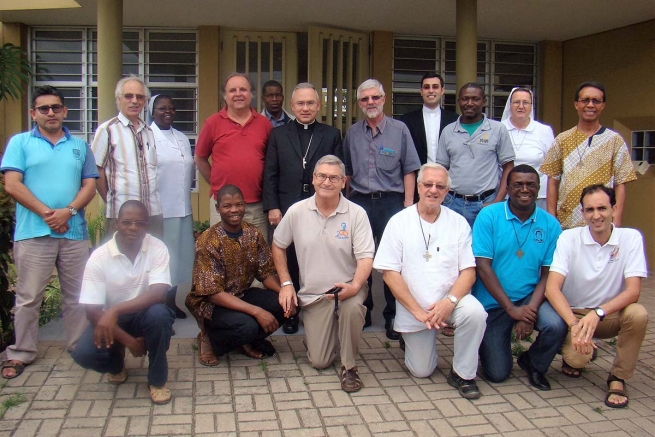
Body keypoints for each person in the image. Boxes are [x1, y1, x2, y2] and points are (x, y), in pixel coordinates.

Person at [0, 85, 98, 379]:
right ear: (34, 113)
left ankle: (79, 346)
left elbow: (90, 185)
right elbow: (12, 184)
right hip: (34, 232)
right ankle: (22, 353)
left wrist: (66, 212)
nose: (51, 113)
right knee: (29, 297)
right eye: (44, 108)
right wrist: (47, 214)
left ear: (65, 111)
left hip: (73, 232)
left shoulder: (80, 146)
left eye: (56, 107)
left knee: (78, 296)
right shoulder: (20, 143)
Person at [373, 162, 487, 399]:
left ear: (447, 192)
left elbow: (469, 272)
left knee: (475, 313)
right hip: (415, 309)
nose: (433, 190)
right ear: (418, 187)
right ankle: (412, 340)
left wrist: (450, 301)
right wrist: (417, 312)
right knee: (422, 370)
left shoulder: (458, 222)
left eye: (440, 186)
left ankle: (463, 374)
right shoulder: (399, 221)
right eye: (428, 184)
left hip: (450, 302)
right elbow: (390, 274)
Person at [272, 155, 375, 393]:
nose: (327, 182)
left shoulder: (356, 213)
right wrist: (286, 283)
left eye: (333, 177)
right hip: (314, 295)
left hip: (346, 288)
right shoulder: (297, 211)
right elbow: (278, 245)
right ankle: (322, 334)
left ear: (343, 182)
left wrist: (356, 285)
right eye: (322, 176)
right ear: (313, 178)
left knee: (351, 308)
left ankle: (350, 368)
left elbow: (365, 257)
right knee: (320, 361)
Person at [545, 184, 648, 409]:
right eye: (589, 210)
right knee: (577, 358)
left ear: (614, 208)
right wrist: (574, 324)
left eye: (602, 208)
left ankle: (618, 378)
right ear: (582, 213)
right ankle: (572, 355)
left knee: (638, 314)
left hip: (606, 313)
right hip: (573, 315)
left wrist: (598, 313)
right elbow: (552, 289)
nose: (596, 215)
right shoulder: (569, 238)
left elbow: (633, 291)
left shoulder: (630, 238)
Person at [472, 164, 566, 390]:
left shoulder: (551, 224)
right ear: (508, 187)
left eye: (530, 184)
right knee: (497, 374)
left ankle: (534, 363)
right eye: (518, 184)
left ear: (538, 187)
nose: (525, 189)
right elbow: (483, 266)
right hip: (493, 303)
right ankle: (487, 346)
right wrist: (511, 310)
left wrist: (528, 313)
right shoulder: (489, 216)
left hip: (528, 297)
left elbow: (548, 274)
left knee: (556, 324)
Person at [72, 200, 175, 405]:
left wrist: (115, 310)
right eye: (127, 222)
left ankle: (157, 381)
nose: (133, 228)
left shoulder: (157, 248)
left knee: (160, 315)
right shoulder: (99, 257)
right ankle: (116, 364)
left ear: (147, 225)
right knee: (84, 354)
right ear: (117, 223)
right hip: (111, 322)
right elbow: (92, 311)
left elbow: (159, 294)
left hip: (143, 314)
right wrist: (130, 342)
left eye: (140, 223)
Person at [343, 78, 421, 340]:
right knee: (359, 258)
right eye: (364, 99)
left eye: (374, 97)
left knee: (393, 261)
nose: (370, 103)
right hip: (360, 202)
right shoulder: (353, 133)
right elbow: (348, 173)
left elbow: (410, 168)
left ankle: (393, 316)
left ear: (383, 99)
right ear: (359, 103)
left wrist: (408, 206)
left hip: (392, 202)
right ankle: (363, 312)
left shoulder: (400, 130)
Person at [263, 82, 342, 334]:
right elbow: (270, 174)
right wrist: (273, 206)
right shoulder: (278, 134)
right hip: (288, 206)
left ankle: (323, 307)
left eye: (310, 103)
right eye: (300, 103)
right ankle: (291, 311)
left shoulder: (330, 134)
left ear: (318, 106)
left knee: (321, 257)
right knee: (291, 259)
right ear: (292, 106)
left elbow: (340, 173)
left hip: (323, 206)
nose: (305, 108)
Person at [186, 184, 285, 364]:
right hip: (211, 304)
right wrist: (257, 311)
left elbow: (266, 272)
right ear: (218, 208)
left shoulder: (252, 233)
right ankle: (209, 339)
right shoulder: (208, 241)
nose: (234, 210)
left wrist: (285, 293)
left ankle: (246, 340)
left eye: (239, 204)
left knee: (286, 306)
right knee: (246, 326)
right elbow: (213, 294)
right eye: (227, 206)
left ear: (245, 205)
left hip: (241, 293)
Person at [540, 81, 636, 229]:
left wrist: (616, 219)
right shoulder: (562, 139)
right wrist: (552, 219)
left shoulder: (614, 140)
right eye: (585, 100)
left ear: (602, 105)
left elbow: (620, 183)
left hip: (601, 221)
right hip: (567, 223)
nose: (590, 105)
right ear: (576, 104)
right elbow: (552, 181)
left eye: (596, 101)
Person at [195, 73, 272, 239]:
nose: (238, 94)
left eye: (243, 89)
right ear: (225, 96)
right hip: (223, 205)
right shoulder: (213, 123)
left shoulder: (264, 124)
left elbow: (272, 162)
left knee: (257, 257)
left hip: (256, 205)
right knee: (222, 257)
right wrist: (216, 182)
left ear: (251, 94)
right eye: (232, 90)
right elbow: (200, 157)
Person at [92, 75, 162, 238]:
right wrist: (111, 198)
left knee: (153, 260)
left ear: (145, 101)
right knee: (120, 260)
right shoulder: (108, 130)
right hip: (122, 215)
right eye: (128, 96)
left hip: (152, 212)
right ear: (118, 99)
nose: (134, 101)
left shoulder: (148, 131)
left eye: (139, 97)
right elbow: (96, 170)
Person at [436, 83, 515, 227]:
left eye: (475, 99)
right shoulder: (448, 131)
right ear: (459, 101)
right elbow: (441, 170)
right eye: (465, 99)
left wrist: (498, 200)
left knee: (483, 248)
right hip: (452, 203)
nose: (469, 103)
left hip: (486, 203)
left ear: (484, 101)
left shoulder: (498, 129)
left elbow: (508, 167)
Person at [149, 94, 195, 319]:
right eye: (161, 108)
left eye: (171, 108)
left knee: (179, 258)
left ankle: (172, 301)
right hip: (161, 210)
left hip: (183, 208)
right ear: (152, 111)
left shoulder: (181, 138)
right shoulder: (147, 137)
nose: (167, 112)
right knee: (162, 258)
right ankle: (159, 305)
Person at [500, 87, 555, 210]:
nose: (521, 106)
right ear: (510, 105)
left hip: (537, 196)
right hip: (505, 195)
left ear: (531, 106)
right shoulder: (499, 129)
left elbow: (551, 168)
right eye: (516, 102)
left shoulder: (544, 131)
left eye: (525, 102)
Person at [400, 72, 459, 167]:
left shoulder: (454, 120)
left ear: (442, 90)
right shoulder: (407, 120)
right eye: (426, 87)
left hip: (448, 177)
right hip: (418, 177)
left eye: (435, 87)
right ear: (421, 91)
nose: (431, 91)